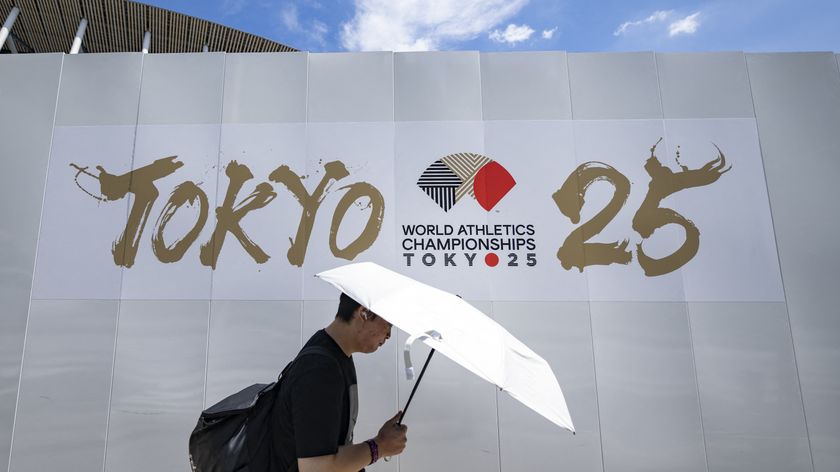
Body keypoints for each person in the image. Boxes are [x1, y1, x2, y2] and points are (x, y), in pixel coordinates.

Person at [271, 292, 408, 472]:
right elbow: (316, 468)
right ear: (364, 313)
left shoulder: (335, 355)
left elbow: (331, 449)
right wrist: (379, 447)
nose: (389, 334)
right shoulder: (319, 369)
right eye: (388, 323)